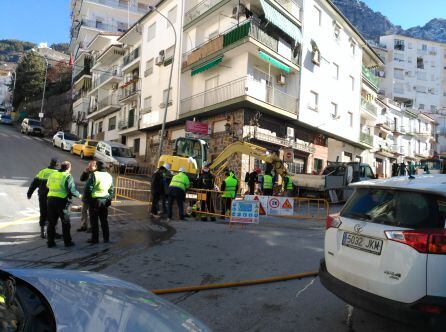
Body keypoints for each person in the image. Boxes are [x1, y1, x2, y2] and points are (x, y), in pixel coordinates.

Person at [46, 161, 80, 248]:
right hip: (62, 201)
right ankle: (67, 242)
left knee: (52, 222)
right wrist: (79, 195)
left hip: (50, 200)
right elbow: (71, 190)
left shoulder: (53, 174)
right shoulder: (67, 176)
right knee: (65, 222)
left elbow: (48, 185)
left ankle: (50, 242)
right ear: (68, 168)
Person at [27, 158, 59, 239]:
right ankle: (50, 231)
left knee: (43, 213)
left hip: (42, 196)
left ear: (50, 163)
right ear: (57, 165)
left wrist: (29, 193)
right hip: (53, 197)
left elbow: (34, 183)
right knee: (51, 214)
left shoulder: (42, 171)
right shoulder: (58, 173)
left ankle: (42, 232)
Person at [85, 161, 114, 244]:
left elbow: (88, 188)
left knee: (94, 221)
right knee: (104, 220)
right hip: (104, 201)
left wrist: (87, 198)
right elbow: (111, 189)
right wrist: (109, 199)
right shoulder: (109, 176)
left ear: (97, 167)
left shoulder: (95, 175)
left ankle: (95, 239)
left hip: (95, 201)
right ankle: (106, 238)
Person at [77, 160, 97, 232]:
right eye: (88, 165)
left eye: (90, 166)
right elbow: (82, 179)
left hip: (92, 196)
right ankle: (84, 226)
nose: (88, 167)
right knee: (83, 211)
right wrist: (85, 171)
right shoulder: (88, 172)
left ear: (94, 166)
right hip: (86, 196)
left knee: (92, 213)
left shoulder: (97, 174)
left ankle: (93, 227)